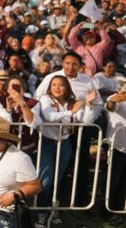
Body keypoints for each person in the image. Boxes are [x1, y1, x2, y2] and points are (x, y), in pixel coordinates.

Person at [35, 75, 96, 227]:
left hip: (65, 143)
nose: (57, 88)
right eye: (54, 84)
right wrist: (71, 112)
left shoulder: (71, 102)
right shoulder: (45, 99)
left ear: (66, 87)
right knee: (46, 180)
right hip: (47, 143)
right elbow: (49, 116)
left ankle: (54, 208)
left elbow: (86, 121)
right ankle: (41, 212)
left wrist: (88, 104)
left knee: (59, 179)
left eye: (60, 85)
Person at [105, 86, 126, 224]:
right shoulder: (118, 98)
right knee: (114, 181)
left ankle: (119, 212)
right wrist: (113, 100)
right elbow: (110, 106)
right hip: (117, 147)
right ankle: (108, 211)